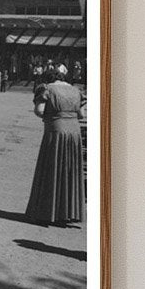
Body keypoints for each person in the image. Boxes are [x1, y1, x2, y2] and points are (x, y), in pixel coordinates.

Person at [25, 66, 86, 225]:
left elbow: (39, 110)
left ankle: (48, 211)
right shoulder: (76, 90)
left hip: (56, 129)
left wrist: (53, 114)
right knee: (70, 170)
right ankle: (69, 212)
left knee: (52, 168)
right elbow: (81, 114)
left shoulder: (46, 89)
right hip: (74, 132)